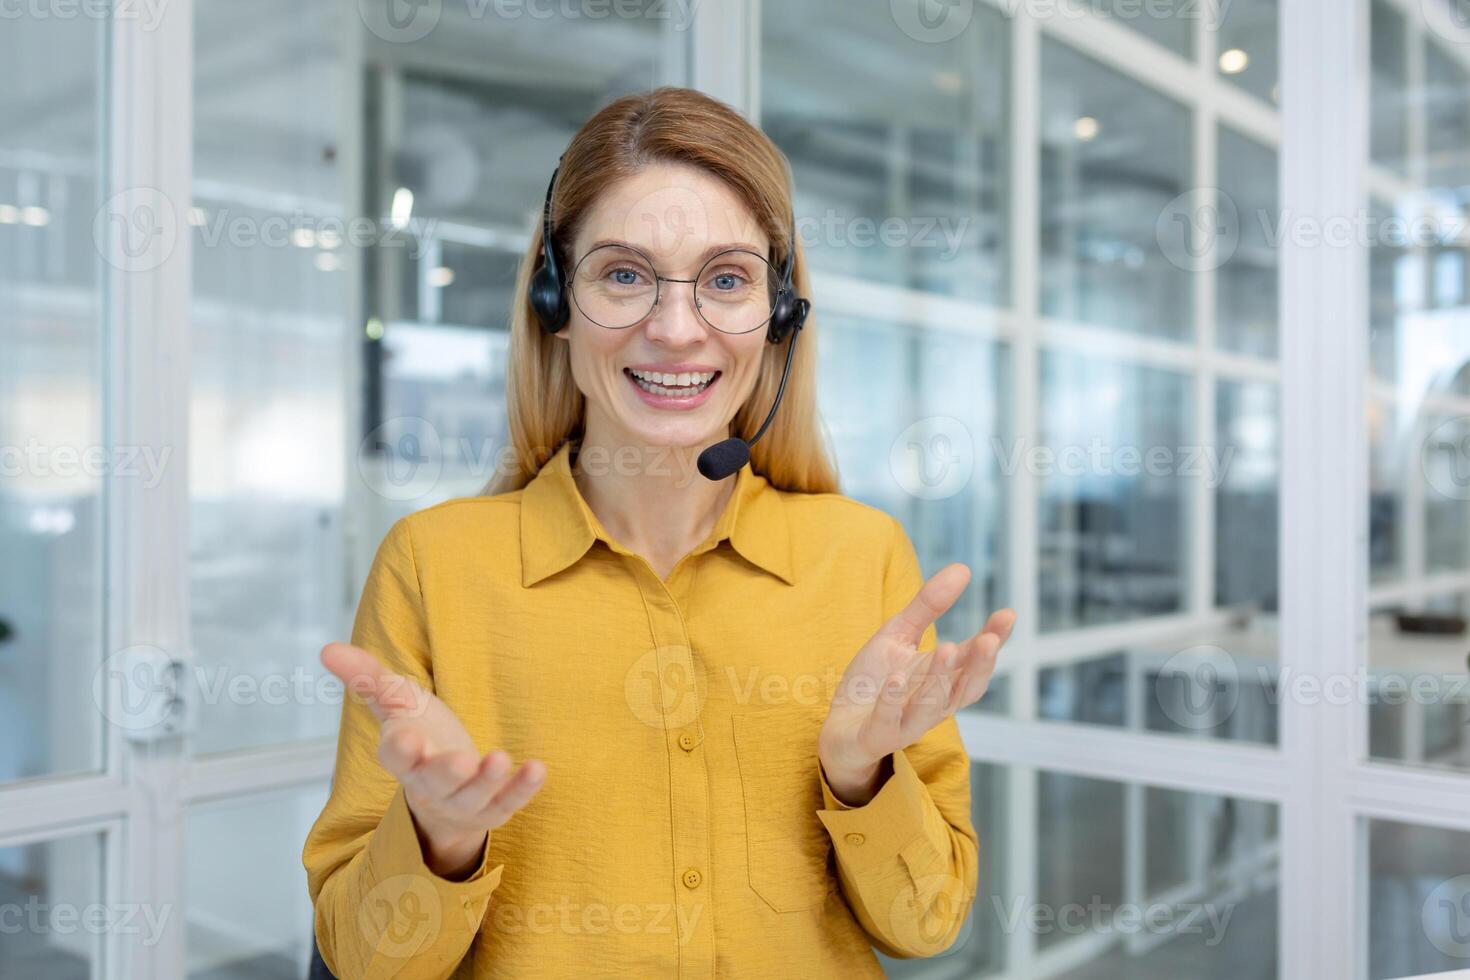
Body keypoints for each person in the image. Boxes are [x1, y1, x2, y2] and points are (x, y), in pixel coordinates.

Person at [302, 85, 1016, 979]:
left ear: (780, 313)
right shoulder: (435, 566)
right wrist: (439, 840)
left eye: (726, 279)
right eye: (625, 274)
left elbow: (929, 922)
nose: (677, 330)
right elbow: (365, 961)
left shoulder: (861, 556)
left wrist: (861, 778)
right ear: (556, 302)